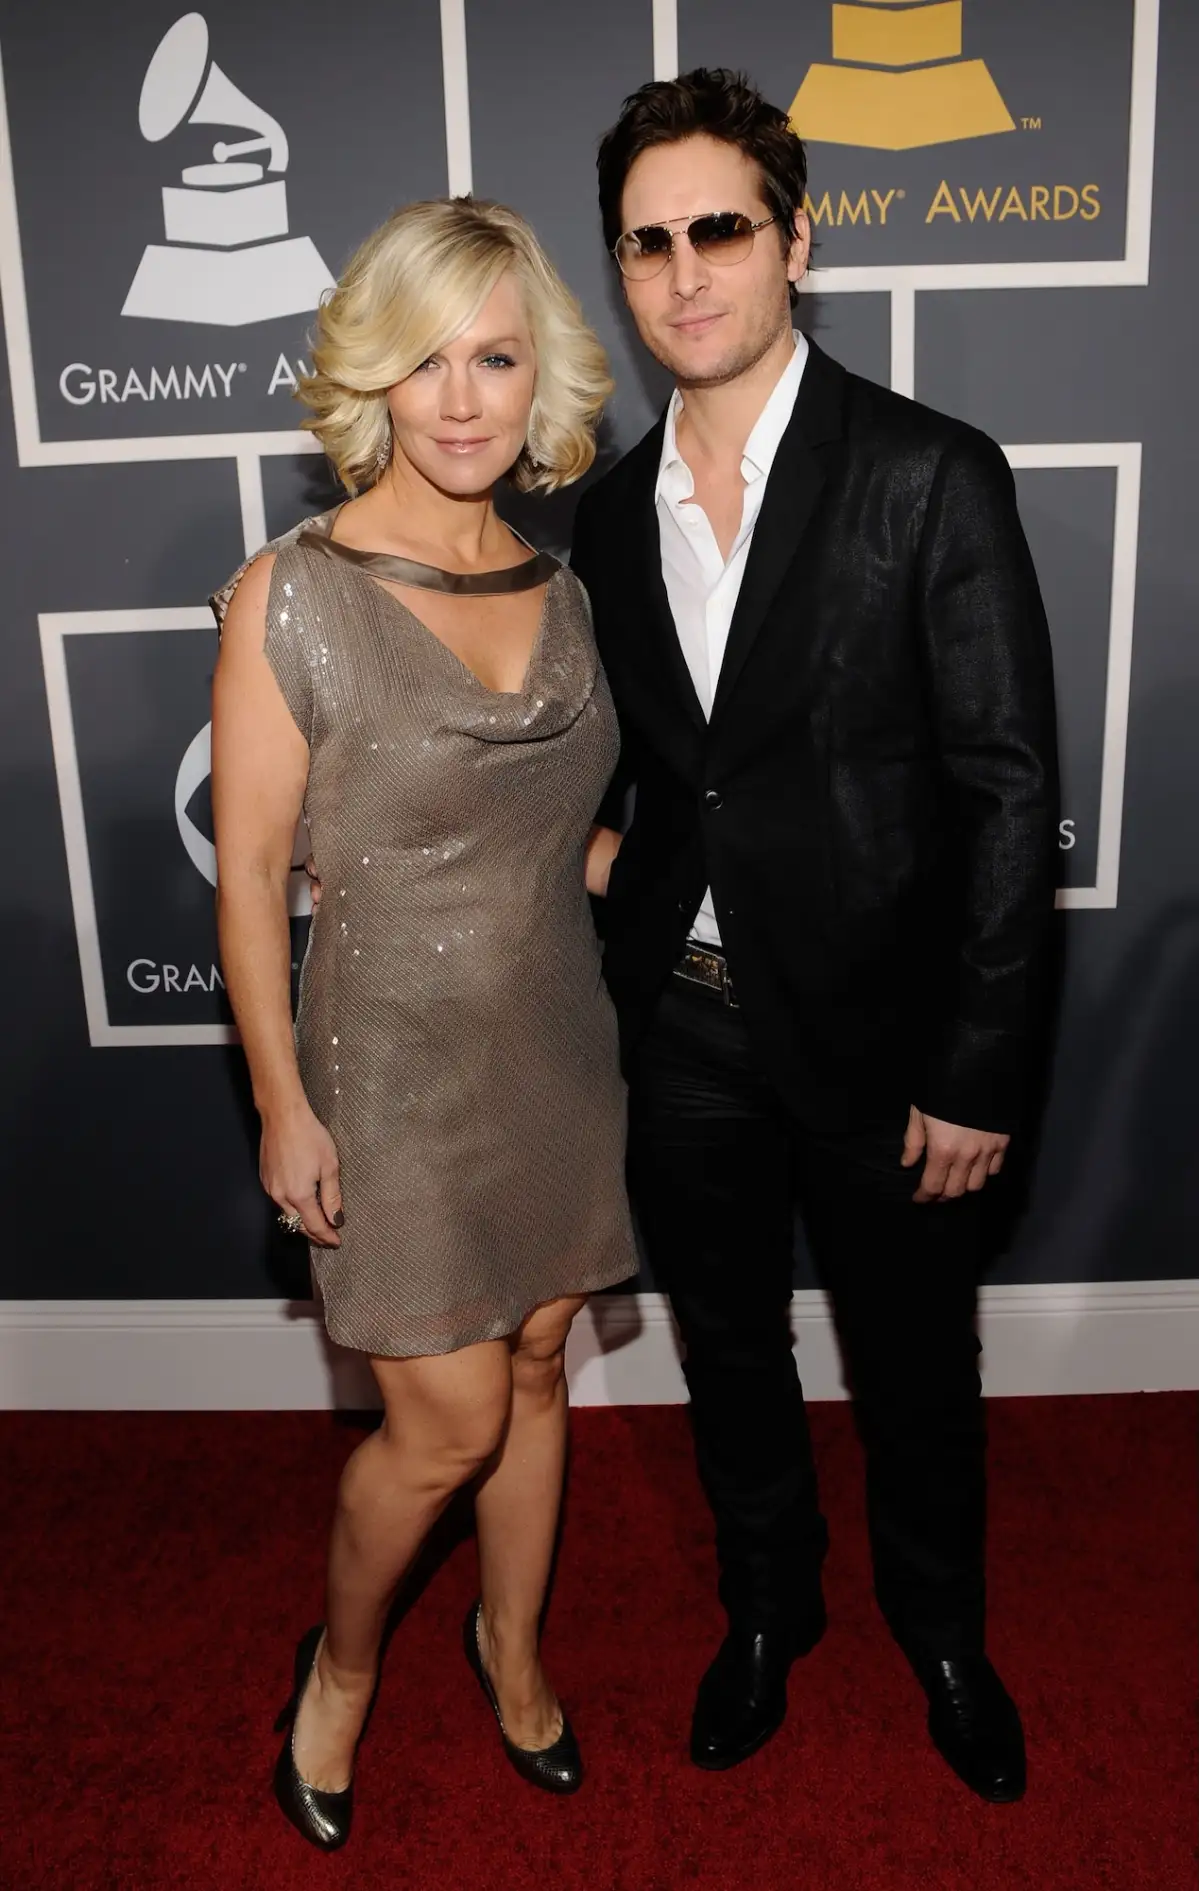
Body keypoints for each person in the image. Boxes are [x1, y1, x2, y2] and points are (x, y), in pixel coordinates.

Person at [569, 69, 1059, 1801]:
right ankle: (770, 1607)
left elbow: (1006, 792)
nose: (683, 270)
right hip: (685, 1025)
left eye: (718, 228)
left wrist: (976, 1066)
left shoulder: (928, 474)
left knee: (915, 1363)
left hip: (887, 1032)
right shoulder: (605, 516)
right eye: (646, 243)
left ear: (796, 241)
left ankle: (944, 1633)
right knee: (725, 1348)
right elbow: (636, 770)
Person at [210, 197, 637, 1851]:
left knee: (536, 1364)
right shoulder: (290, 594)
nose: (462, 399)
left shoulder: (566, 588)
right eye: (425, 360)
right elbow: (254, 869)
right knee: (442, 1420)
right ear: (372, 378)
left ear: (542, 380)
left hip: (559, 1048)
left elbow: (561, 840)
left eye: (496, 359)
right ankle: (341, 1664)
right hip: (384, 1068)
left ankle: (511, 1648)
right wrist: (281, 1101)